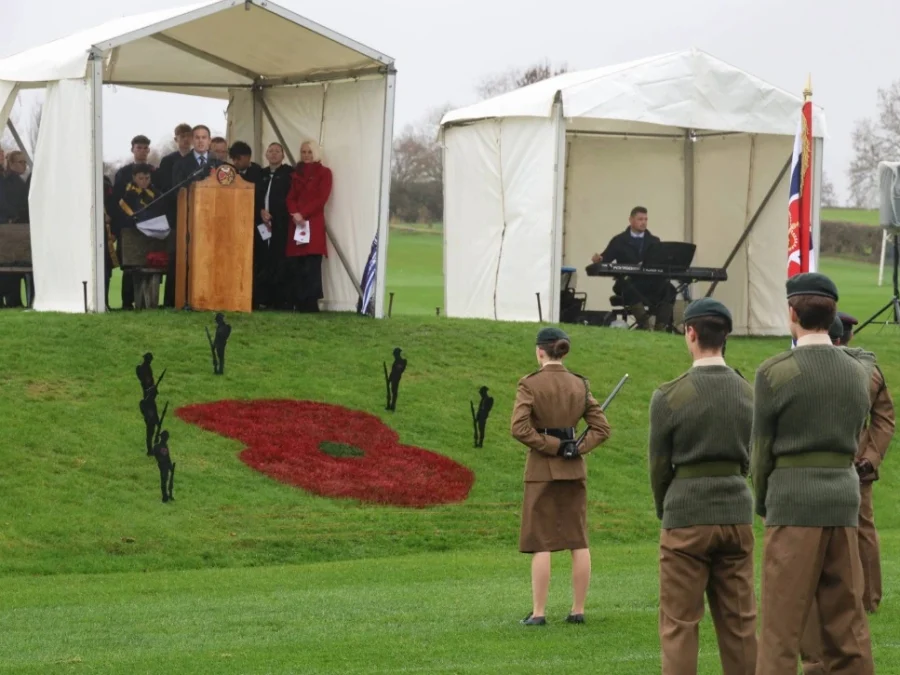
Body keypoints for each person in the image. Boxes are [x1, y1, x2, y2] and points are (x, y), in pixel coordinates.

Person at [751, 273, 875, 675]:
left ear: (791, 312)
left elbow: (761, 451)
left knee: (781, 627)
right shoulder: (859, 372)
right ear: (834, 313)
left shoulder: (773, 372)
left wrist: (763, 502)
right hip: (843, 501)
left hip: (792, 503)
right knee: (848, 625)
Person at [649, 298, 757, 675]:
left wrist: (667, 507)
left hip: (685, 512)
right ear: (725, 336)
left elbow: (659, 466)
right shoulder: (748, 392)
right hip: (736, 508)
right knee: (741, 624)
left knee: (679, 624)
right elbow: (752, 456)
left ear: (690, 333)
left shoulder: (669, 396)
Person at [800, 312, 895, 675]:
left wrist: (869, 459)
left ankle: (865, 597)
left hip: (846, 468)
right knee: (862, 530)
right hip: (853, 465)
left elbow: (882, 417)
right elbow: (885, 418)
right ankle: (865, 598)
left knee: (861, 531)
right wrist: (872, 457)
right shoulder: (868, 370)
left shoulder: (846, 370)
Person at [510, 326, 611, 626]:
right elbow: (601, 429)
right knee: (577, 539)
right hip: (573, 469)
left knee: (541, 541)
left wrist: (553, 447)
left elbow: (519, 428)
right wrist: (575, 448)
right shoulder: (579, 384)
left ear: (540, 351)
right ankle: (577, 610)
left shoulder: (530, 384)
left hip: (542, 469)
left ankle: (539, 613)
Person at [591, 206, 676, 331]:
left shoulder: (654, 241)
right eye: (640, 219)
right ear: (631, 220)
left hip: (650, 282)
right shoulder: (619, 240)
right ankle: (645, 325)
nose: (644, 222)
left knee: (670, 289)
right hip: (628, 281)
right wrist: (599, 260)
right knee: (629, 287)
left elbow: (659, 262)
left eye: (646, 219)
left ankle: (660, 327)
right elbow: (606, 258)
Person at [285, 140, 333, 312]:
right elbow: (290, 197)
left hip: (312, 223)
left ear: (316, 153)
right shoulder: (296, 173)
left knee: (312, 265)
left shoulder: (325, 173)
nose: (306, 155)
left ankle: (311, 302)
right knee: (297, 264)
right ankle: (298, 301)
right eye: (303, 152)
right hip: (297, 224)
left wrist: (302, 214)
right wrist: (294, 213)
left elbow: (321, 199)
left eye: (309, 152)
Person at [158, 123, 194, 308]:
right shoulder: (167, 161)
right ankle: (171, 299)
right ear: (176, 139)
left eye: (189, 136)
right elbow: (164, 188)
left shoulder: (197, 161)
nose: (186, 140)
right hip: (174, 216)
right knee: (175, 258)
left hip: (195, 216)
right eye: (182, 136)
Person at [115, 164, 159, 310]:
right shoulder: (128, 195)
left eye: (147, 178)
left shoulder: (156, 194)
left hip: (150, 238)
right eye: (141, 178)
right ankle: (127, 303)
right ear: (134, 178)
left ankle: (148, 302)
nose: (144, 181)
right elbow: (122, 217)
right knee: (129, 273)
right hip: (132, 237)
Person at [255, 142, 293, 309]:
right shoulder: (260, 174)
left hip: (281, 224)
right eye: (270, 151)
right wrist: (261, 211)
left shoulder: (289, 174)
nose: (274, 154)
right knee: (263, 259)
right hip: (262, 224)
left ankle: (280, 299)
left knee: (280, 260)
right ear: (266, 154)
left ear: (283, 155)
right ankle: (263, 298)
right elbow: (254, 197)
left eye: (277, 151)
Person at [113, 135, 154, 201]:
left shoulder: (155, 172)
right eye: (139, 148)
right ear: (132, 150)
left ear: (148, 150)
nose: (142, 151)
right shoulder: (123, 173)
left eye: (145, 148)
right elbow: (117, 197)